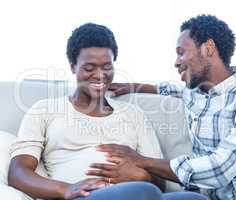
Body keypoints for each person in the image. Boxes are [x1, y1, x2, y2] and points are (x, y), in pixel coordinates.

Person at [95, 15, 236, 200]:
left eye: (181, 52)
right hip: (210, 197)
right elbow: (169, 89)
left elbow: (220, 168)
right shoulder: (194, 93)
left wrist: (141, 160)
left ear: (208, 48)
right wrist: (132, 86)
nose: (176, 62)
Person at [8, 23, 206, 200]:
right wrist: (67, 189)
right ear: (72, 67)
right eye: (89, 68)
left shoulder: (133, 114)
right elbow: (18, 173)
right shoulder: (45, 110)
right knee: (143, 192)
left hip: (138, 193)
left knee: (192, 199)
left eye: (106, 66)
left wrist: (142, 175)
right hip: (84, 195)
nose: (100, 75)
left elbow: (158, 183)